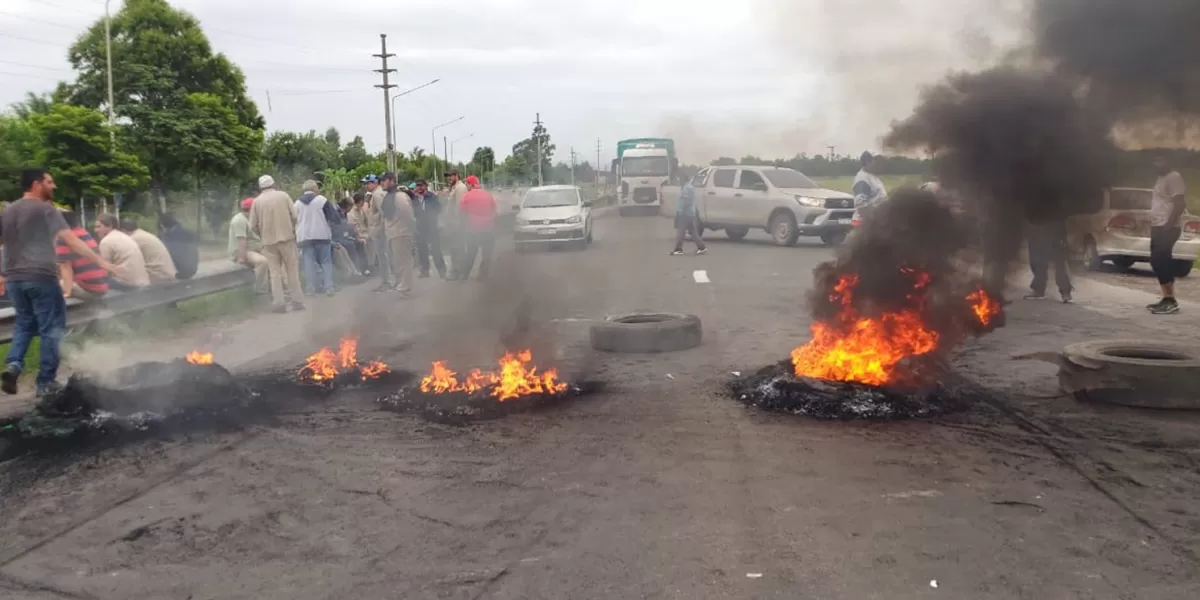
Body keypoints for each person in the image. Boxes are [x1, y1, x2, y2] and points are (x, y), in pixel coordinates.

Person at [0, 169, 116, 397]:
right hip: (41, 278)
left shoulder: (8, 211)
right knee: (52, 329)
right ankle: (46, 383)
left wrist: (2, 275)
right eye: (50, 182)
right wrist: (103, 263)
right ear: (36, 184)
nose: (54, 187)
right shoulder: (47, 210)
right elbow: (72, 241)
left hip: (15, 280)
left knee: (24, 323)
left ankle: (14, 365)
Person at [250, 174, 305, 313]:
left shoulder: (257, 202)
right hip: (287, 239)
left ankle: (279, 303)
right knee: (292, 270)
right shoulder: (284, 196)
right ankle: (297, 301)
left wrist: (262, 234)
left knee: (274, 274)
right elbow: (294, 216)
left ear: (260, 187)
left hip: (268, 243)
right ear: (274, 184)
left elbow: (253, 225)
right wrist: (290, 228)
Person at [1147, 157, 1187, 315]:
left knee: (1160, 259)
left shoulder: (1174, 177)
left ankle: (1170, 300)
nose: (1156, 164)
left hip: (1168, 226)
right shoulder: (1160, 178)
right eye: (1155, 161)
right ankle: (1166, 298)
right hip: (1158, 225)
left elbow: (1180, 204)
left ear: (1169, 161)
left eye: (1160, 161)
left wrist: (1168, 226)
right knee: (1156, 261)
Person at [294, 179, 338, 296]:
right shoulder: (322, 200)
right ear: (314, 189)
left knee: (308, 263)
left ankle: (310, 288)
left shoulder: (297, 203)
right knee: (325, 262)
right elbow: (335, 218)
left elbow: (293, 220)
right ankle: (328, 287)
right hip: (321, 235)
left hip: (304, 238)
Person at [55, 209, 108, 301]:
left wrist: (67, 292)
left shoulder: (63, 237)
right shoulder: (83, 233)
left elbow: (66, 268)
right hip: (102, 286)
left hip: (88, 289)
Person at [378, 172, 416, 295]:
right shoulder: (390, 196)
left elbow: (408, 215)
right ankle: (402, 284)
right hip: (394, 234)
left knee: (404, 261)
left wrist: (411, 229)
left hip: (402, 233)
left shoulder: (399, 196)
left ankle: (405, 287)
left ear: (391, 181)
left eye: (384, 180)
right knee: (398, 262)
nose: (382, 183)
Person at [456, 175, 497, 281]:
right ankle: (483, 275)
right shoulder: (488, 195)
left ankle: (464, 275)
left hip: (472, 230)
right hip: (488, 230)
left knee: (470, 254)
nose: (466, 186)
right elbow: (495, 212)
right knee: (486, 255)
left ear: (471, 184)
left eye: (467, 184)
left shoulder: (466, 197)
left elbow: (462, 214)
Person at [95, 213, 150, 290]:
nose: (96, 230)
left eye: (98, 227)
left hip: (128, 285)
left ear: (109, 226)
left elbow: (103, 270)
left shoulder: (106, 241)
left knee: (95, 278)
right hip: (143, 282)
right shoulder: (124, 236)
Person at [1024, 219, 1073, 303]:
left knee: (1054, 261)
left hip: (1047, 226)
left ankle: (1041, 289)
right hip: (1048, 226)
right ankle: (1064, 291)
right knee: (1054, 261)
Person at [229, 197, 268, 293]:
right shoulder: (239, 220)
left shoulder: (251, 219)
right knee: (262, 262)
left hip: (255, 249)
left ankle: (276, 288)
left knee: (275, 258)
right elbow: (241, 241)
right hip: (242, 251)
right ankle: (260, 289)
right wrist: (241, 258)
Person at [120, 217, 177, 283]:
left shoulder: (134, 239)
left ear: (123, 230)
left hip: (158, 275)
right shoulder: (142, 234)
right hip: (166, 272)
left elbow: (126, 260)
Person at [411, 179, 447, 278]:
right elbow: (411, 211)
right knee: (422, 250)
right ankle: (425, 270)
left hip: (432, 226)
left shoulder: (432, 196)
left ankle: (442, 270)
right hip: (420, 227)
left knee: (436, 249)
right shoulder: (414, 198)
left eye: (421, 185)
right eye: (417, 186)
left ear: (426, 186)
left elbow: (439, 208)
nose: (419, 188)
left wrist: (432, 216)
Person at [366, 174, 393, 291]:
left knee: (382, 256)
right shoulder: (378, 193)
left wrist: (382, 229)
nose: (366, 185)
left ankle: (386, 282)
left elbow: (384, 213)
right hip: (379, 229)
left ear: (374, 183)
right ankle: (387, 281)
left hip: (379, 229)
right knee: (383, 256)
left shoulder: (377, 195)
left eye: (368, 183)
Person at [672, 174, 707, 256]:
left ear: (683, 179)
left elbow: (686, 201)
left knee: (681, 232)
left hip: (685, 213)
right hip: (690, 213)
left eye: (680, 180)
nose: (679, 182)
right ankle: (701, 247)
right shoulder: (689, 187)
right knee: (693, 232)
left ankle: (678, 249)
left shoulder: (687, 188)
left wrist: (681, 212)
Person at [443, 170, 469, 278]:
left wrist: (458, 223)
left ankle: (459, 271)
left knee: (457, 248)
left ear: (457, 176)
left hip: (457, 224)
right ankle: (457, 270)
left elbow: (460, 207)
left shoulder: (460, 188)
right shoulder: (454, 188)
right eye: (447, 176)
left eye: (451, 176)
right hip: (452, 223)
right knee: (454, 248)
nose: (449, 178)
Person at [158, 212, 199, 279]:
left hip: (179, 272)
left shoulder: (168, 237)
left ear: (162, 225)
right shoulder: (189, 233)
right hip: (192, 269)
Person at [348, 192, 372, 276]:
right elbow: (353, 228)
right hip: (359, 234)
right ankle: (365, 267)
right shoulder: (351, 213)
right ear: (361, 201)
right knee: (363, 243)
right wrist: (360, 237)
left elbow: (367, 222)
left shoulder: (362, 211)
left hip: (366, 232)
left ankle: (371, 264)